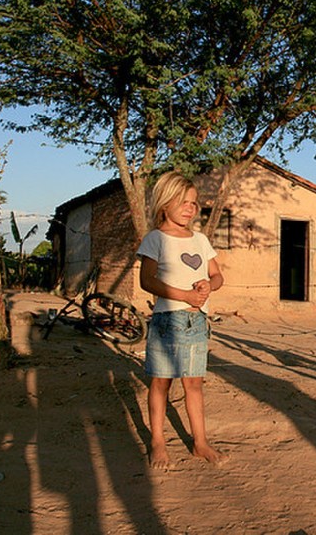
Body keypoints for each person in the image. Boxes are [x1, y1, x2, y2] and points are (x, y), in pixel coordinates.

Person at [137, 171, 227, 467]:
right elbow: (147, 281)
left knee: (194, 385)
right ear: (165, 203)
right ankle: (158, 443)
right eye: (183, 202)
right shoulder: (156, 239)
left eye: (194, 203)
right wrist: (184, 296)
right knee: (160, 384)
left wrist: (207, 286)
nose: (190, 208)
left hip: (197, 323)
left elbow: (217, 275)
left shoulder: (200, 240)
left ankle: (200, 443)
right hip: (167, 323)